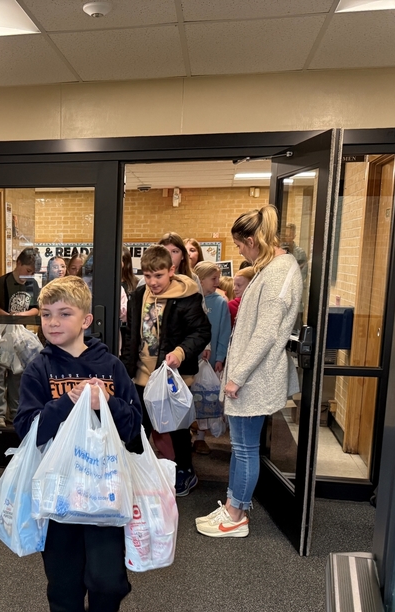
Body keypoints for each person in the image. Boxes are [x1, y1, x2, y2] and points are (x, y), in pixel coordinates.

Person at [13, 276, 142, 612]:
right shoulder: (39, 368)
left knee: (108, 579)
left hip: (105, 496)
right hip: (59, 498)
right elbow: (28, 430)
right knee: (64, 583)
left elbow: (134, 431)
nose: (53, 322)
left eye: (64, 314)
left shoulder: (112, 367)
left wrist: (104, 402)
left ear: (86, 319)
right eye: (46, 315)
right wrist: (67, 402)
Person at [195, 206, 301, 539]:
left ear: (253, 240)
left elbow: (267, 332)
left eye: (240, 245)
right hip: (248, 375)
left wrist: (237, 377)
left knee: (244, 448)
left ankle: (236, 515)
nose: (239, 251)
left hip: (253, 378)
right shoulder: (270, 269)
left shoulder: (281, 272)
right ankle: (232, 506)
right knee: (243, 446)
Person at [123, 245, 210, 496]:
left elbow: (201, 332)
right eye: (147, 276)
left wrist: (181, 353)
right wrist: (126, 368)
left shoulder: (187, 296)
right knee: (139, 426)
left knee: (177, 429)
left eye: (158, 276)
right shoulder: (138, 296)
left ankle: (185, 470)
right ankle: (137, 470)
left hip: (174, 376)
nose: (152, 282)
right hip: (142, 375)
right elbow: (131, 335)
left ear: (171, 270)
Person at [0, 248, 40, 428]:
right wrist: (9, 316)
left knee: (18, 374)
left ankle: (15, 414)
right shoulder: (2, 283)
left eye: (32, 273)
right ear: (18, 264)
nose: (28, 275)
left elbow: (35, 308)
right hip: (1, 335)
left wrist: (20, 316)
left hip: (20, 335)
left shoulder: (32, 284)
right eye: (27, 271)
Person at [191, 261, 231, 455]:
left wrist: (220, 357)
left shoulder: (220, 302)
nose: (217, 282)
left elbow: (224, 332)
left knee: (206, 395)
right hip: (190, 356)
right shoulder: (191, 298)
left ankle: (200, 437)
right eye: (213, 278)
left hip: (211, 355)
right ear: (200, 279)